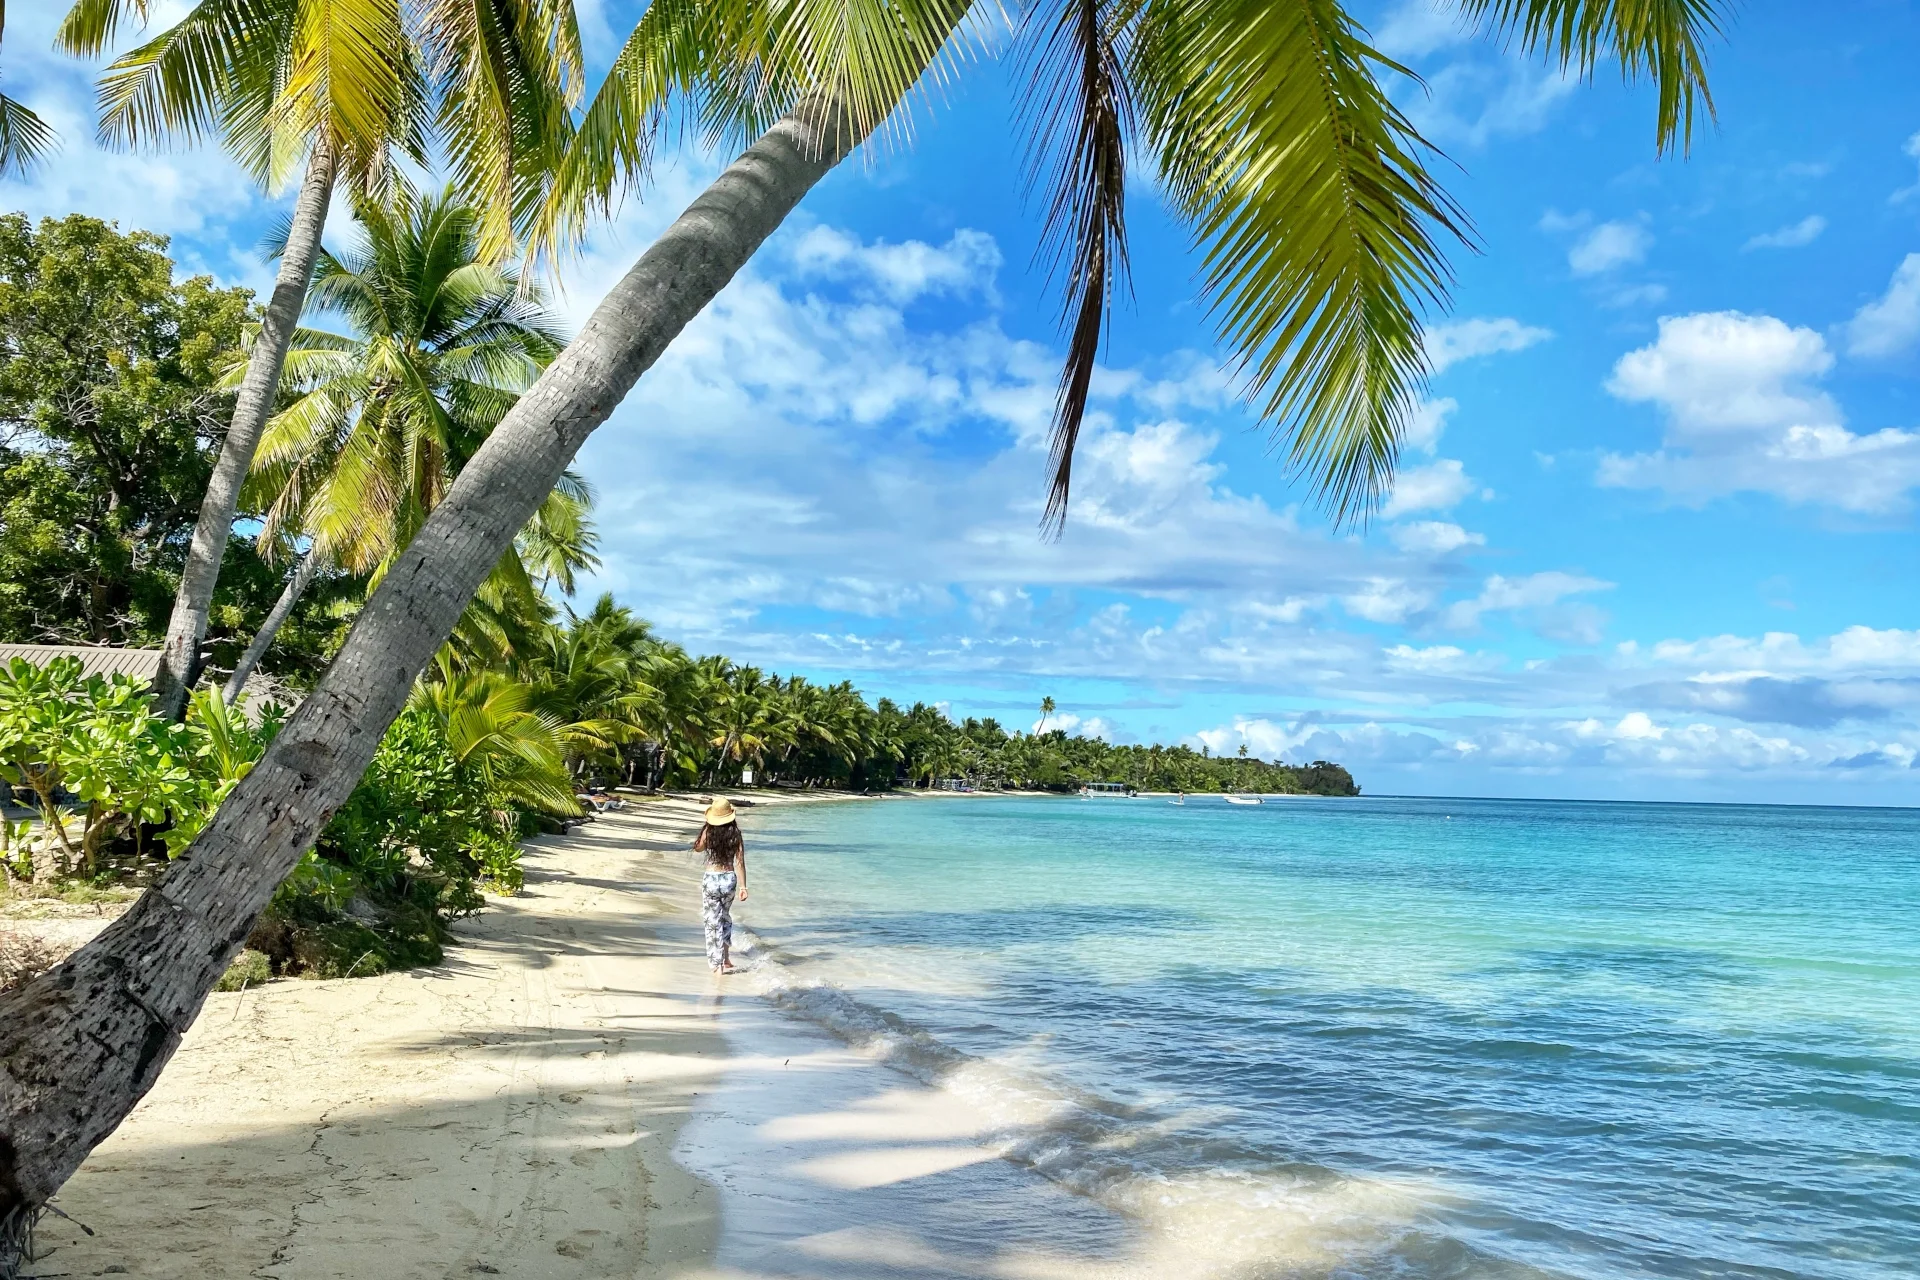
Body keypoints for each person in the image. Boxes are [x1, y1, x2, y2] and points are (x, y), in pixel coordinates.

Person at [693, 798, 748, 973]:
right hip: (729, 879)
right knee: (725, 918)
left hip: (711, 878)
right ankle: (725, 959)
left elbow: (698, 848)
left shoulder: (709, 831)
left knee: (712, 922)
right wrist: (743, 887)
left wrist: (705, 829)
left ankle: (717, 965)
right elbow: (740, 862)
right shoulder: (735, 833)